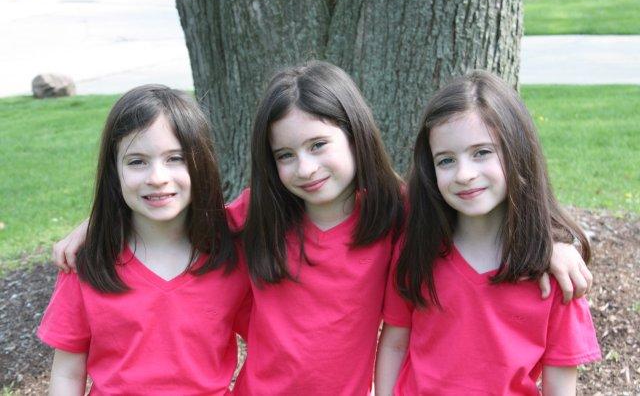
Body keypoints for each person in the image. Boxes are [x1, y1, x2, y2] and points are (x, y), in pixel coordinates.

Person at [52, 63, 592, 395]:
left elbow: (470, 205)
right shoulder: (256, 218)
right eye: (286, 154)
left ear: (355, 136)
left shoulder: (395, 215)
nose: (306, 168)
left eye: (318, 145)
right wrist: (96, 223)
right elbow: (176, 211)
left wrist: (549, 243)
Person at [375, 70, 601, 395]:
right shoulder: (417, 249)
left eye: (481, 152)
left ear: (517, 152)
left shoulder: (555, 277)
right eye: (446, 160)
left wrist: (550, 245)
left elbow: (560, 383)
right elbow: (395, 343)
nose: (464, 174)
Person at [38, 85, 250, 395]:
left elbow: (274, 344)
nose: (157, 178)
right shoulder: (87, 262)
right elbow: (68, 374)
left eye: (175, 158)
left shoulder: (232, 253)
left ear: (201, 163)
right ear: (114, 172)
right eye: (137, 161)